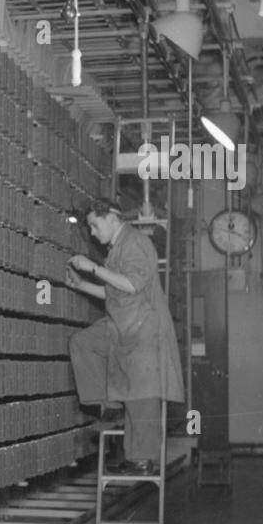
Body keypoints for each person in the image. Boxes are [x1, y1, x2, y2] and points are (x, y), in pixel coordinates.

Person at [65, 198, 184, 475]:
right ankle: (105, 406)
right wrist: (82, 285)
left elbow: (132, 284)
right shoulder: (117, 249)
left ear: (112, 218)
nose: (93, 233)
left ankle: (142, 460)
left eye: (95, 225)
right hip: (122, 325)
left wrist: (92, 268)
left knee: (142, 397)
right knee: (82, 343)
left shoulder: (136, 243)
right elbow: (114, 292)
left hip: (143, 331)